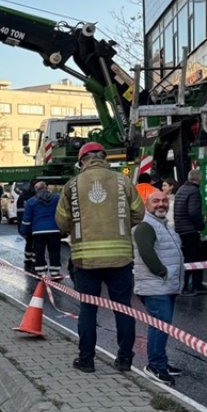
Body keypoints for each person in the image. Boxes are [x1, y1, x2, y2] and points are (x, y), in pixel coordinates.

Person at [56, 142, 145, 374]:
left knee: (88, 310)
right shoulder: (122, 181)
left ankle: (86, 360)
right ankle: (125, 359)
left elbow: (62, 222)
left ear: (82, 160)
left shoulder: (72, 185)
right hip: (120, 258)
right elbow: (139, 212)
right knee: (123, 309)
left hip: (86, 260)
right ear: (104, 158)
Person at [133, 190, 185, 384]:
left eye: (164, 200)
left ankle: (161, 361)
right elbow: (147, 253)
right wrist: (162, 272)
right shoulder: (146, 226)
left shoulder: (164, 225)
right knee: (159, 326)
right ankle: (155, 366)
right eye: (156, 201)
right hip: (155, 286)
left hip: (165, 285)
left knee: (162, 326)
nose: (161, 204)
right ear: (147, 205)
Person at [172, 170, 207, 296]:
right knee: (196, 258)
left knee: (187, 258)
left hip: (181, 229)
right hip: (190, 229)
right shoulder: (194, 191)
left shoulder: (182, 189)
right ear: (199, 179)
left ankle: (186, 284)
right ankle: (193, 286)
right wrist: (200, 225)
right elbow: (193, 212)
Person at [19, 181, 63, 278]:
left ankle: (41, 272)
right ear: (46, 188)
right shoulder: (56, 199)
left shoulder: (31, 201)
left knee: (39, 251)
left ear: (36, 190)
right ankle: (55, 272)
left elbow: (27, 219)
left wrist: (23, 231)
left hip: (38, 231)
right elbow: (62, 213)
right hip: (54, 229)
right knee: (54, 251)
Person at [16, 184, 38, 272]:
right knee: (36, 244)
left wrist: (21, 228)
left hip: (25, 225)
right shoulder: (35, 198)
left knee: (28, 243)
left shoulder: (21, 198)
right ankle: (33, 261)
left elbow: (19, 214)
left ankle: (27, 260)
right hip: (35, 225)